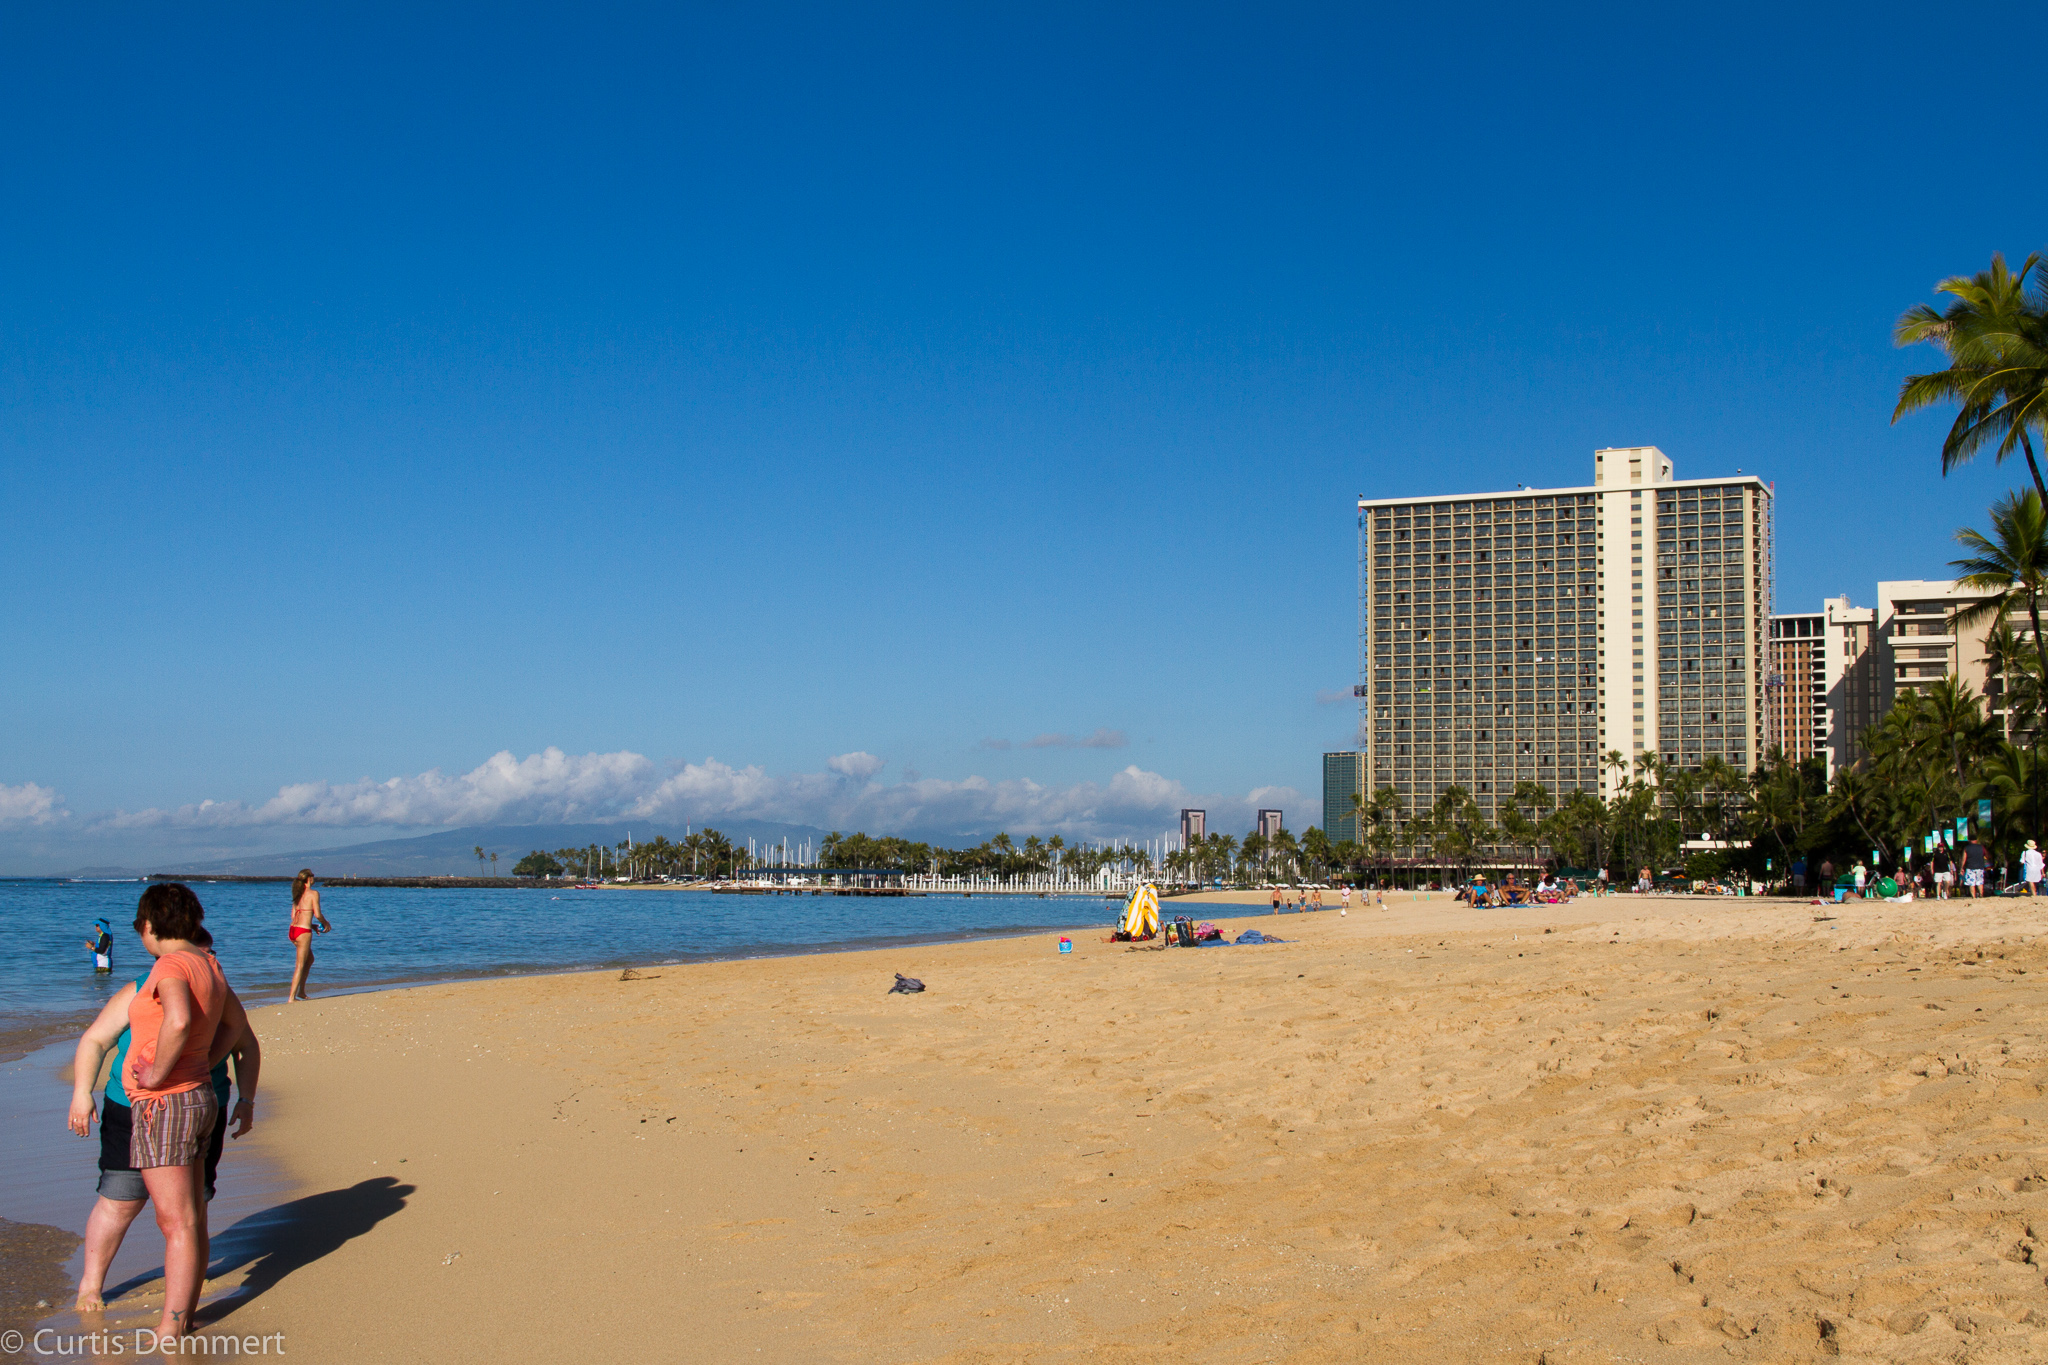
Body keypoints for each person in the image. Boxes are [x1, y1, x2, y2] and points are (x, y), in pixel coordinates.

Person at [68, 926, 258, 1314]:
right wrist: (81, 1092)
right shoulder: (142, 987)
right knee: (120, 1199)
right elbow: (95, 1039)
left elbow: (246, 1044)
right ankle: (91, 1285)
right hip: (131, 1106)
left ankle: (185, 1291)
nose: (206, 961)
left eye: (209, 953)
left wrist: (247, 1099)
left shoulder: (219, 990)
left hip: (200, 1107)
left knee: (193, 1206)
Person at [109, 884, 232, 1339]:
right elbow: (234, 1029)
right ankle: (184, 1314)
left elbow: (178, 1020)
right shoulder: (208, 964)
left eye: (139, 926)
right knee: (191, 1216)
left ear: (149, 924)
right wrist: (199, 1064)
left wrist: (159, 1074)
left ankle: (171, 1325)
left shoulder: (171, 963)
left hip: (167, 1103)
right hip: (198, 1096)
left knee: (175, 1220)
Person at [287, 868, 331, 1001]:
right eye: (313, 876)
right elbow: (317, 914)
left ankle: (301, 992)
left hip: (293, 930)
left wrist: (310, 925)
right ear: (309, 879)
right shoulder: (313, 893)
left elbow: (293, 915)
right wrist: (326, 923)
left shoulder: (298, 893)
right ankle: (291, 997)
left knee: (309, 959)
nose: (314, 878)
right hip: (302, 933)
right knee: (300, 965)